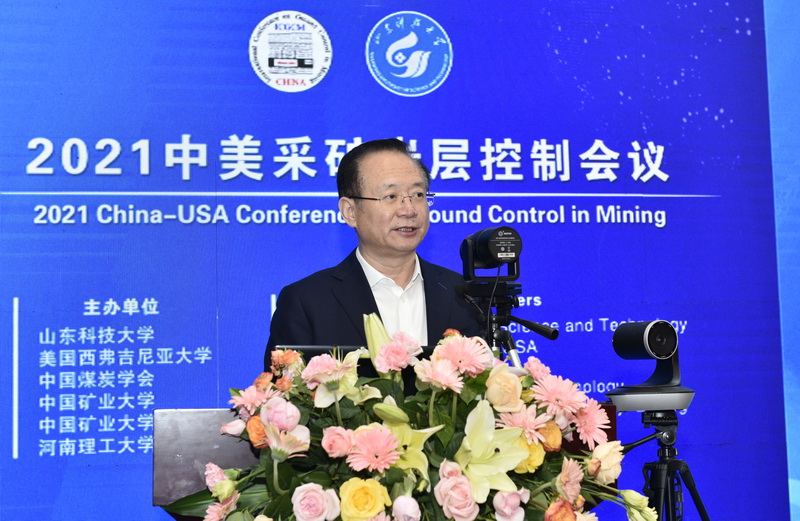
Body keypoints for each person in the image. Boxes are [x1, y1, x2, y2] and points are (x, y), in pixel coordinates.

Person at [264, 138, 481, 369]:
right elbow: (283, 387)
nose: (409, 210)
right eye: (391, 196)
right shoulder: (307, 303)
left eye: (418, 194)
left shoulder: (465, 296)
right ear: (350, 212)